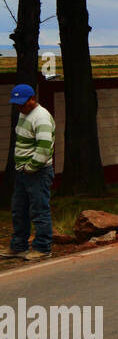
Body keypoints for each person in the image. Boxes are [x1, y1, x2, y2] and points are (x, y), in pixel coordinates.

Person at [5, 84, 55, 261]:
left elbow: (44, 147)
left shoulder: (41, 117)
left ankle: (42, 247)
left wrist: (31, 167)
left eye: (23, 103)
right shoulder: (23, 113)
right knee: (19, 210)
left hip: (37, 172)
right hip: (22, 171)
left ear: (32, 99)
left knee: (39, 210)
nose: (19, 106)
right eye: (17, 103)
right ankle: (18, 246)